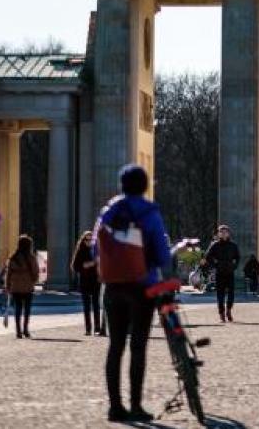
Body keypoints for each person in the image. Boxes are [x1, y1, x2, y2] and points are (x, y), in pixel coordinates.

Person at [95, 163, 172, 423]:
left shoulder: (108, 212)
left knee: (115, 345)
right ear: (145, 186)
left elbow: (97, 250)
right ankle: (136, 406)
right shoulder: (150, 213)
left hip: (114, 286)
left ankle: (115, 407)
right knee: (138, 346)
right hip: (142, 286)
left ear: (122, 185)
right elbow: (161, 254)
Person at [202, 224, 240, 323]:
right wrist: (215, 265)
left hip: (230, 272)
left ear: (228, 233)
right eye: (221, 232)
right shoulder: (215, 245)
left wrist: (234, 266)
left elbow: (238, 257)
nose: (223, 234)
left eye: (225, 232)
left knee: (231, 293)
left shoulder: (233, 245)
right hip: (219, 272)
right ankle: (221, 313)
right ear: (218, 234)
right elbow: (208, 256)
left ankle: (228, 310)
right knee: (220, 294)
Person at [5, 235, 40, 339]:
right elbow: (36, 271)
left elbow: (8, 273)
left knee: (18, 309)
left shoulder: (13, 257)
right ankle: (25, 330)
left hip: (15, 287)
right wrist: (33, 281)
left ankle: (18, 331)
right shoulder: (31, 258)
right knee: (27, 309)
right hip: (28, 287)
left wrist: (7, 286)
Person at [71, 231, 104, 336]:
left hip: (95, 281)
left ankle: (97, 328)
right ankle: (88, 329)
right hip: (85, 281)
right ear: (83, 241)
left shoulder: (97, 251)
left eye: (91, 240)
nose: (89, 242)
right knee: (86, 306)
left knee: (96, 305)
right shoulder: (80, 251)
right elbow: (75, 266)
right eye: (87, 240)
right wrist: (86, 265)